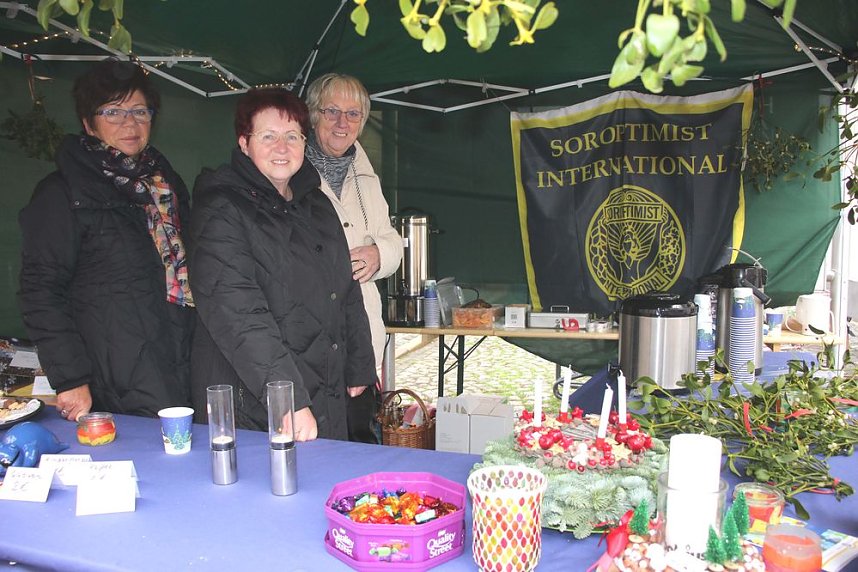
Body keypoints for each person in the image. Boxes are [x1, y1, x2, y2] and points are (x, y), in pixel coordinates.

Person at [189, 88, 375, 441]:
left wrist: (359, 364)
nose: (282, 147)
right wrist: (287, 399)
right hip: (254, 396)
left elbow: (345, 288)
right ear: (244, 142)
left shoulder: (316, 204)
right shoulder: (221, 209)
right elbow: (239, 314)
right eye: (268, 136)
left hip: (322, 383)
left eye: (292, 136)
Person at [18, 59, 194, 421]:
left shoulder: (165, 186)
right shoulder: (63, 193)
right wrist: (70, 378)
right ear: (88, 122)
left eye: (140, 111)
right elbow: (41, 291)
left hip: (180, 357)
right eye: (113, 111)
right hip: (113, 377)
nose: (130, 123)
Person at [305, 73, 404, 443]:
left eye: (353, 114)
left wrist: (381, 254)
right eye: (332, 111)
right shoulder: (292, 172)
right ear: (314, 114)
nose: (342, 123)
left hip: (362, 333)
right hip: (315, 337)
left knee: (360, 434)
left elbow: (391, 238)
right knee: (319, 441)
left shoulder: (367, 176)